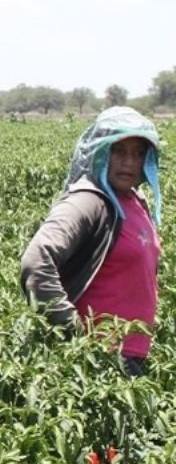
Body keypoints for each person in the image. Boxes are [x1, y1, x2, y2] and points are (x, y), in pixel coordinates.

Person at [21, 106, 162, 377]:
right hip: (98, 360)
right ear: (99, 152)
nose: (129, 162)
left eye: (138, 153)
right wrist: (70, 327)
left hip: (132, 353)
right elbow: (37, 261)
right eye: (118, 150)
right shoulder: (88, 202)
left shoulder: (134, 201)